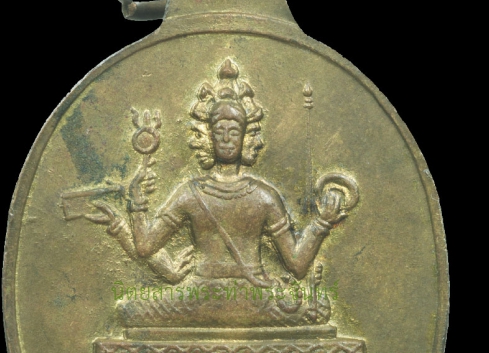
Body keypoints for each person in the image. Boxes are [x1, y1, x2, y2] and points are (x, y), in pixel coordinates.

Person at [89, 60, 348, 326]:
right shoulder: (191, 193)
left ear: (246, 137)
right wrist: (137, 203)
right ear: (208, 136)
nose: (226, 139)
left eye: (234, 132)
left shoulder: (264, 196)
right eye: (219, 132)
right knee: (127, 310)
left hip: (253, 294)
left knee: (319, 308)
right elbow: (145, 247)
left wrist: (322, 222)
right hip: (200, 294)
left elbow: (296, 265)